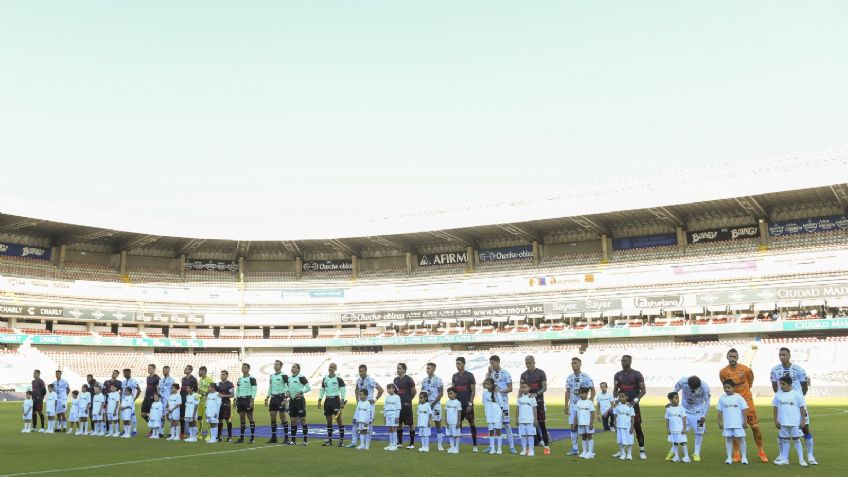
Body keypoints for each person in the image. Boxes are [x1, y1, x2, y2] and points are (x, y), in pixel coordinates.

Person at [720, 348, 767, 462]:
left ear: (737, 357)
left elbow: (750, 382)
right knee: (735, 428)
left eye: (734, 356)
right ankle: (736, 454)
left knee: (755, 428)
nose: (732, 358)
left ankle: (761, 452)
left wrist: (744, 394)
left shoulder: (746, 370)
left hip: (747, 402)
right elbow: (725, 384)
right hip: (733, 403)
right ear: (727, 357)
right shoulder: (723, 372)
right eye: (730, 356)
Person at [770, 347, 815, 464]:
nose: (782, 357)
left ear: (789, 355)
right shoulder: (775, 370)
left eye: (784, 354)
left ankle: (810, 456)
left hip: (796, 401)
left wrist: (798, 397)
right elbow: (775, 387)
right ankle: (782, 455)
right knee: (782, 428)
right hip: (783, 403)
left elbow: (804, 386)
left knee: (805, 427)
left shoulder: (798, 369)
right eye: (780, 355)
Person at [613, 355, 647, 459]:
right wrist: (616, 401)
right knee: (620, 427)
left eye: (625, 361)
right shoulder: (618, 375)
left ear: (630, 361)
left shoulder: (636, 374)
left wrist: (634, 401)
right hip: (621, 407)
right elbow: (615, 390)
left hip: (633, 406)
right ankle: (621, 450)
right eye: (622, 361)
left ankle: (642, 451)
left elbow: (643, 390)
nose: (622, 362)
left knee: (637, 427)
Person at [772, 375, 808, 467]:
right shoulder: (778, 395)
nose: (781, 386)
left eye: (783, 384)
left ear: (789, 384)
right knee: (785, 440)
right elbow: (775, 408)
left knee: (796, 439)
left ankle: (801, 460)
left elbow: (802, 409)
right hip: (783, 422)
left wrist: (803, 421)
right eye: (780, 384)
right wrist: (776, 420)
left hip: (795, 422)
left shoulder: (796, 395)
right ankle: (785, 459)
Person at [673, 375, 710, 461]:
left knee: (699, 432)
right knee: (679, 431)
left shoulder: (705, 387)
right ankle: (674, 452)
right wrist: (675, 405)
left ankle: (696, 453)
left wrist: (703, 416)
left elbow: (707, 402)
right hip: (684, 411)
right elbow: (674, 392)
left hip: (698, 413)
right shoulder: (682, 381)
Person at [565, 357, 595, 456]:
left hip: (583, 408)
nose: (573, 364)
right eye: (572, 363)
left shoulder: (586, 376)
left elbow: (593, 390)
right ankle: (575, 449)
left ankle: (587, 450)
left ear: (580, 364)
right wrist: (566, 405)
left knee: (585, 428)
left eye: (575, 363)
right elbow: (568, 392)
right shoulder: (569, 377)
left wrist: (589, 402)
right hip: (573, 406)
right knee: (573, 427)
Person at [348, 364, 384, 449]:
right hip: (360, 405)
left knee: (369, 424)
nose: (360, 373)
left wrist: (375, 399)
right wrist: (357, 400)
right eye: (359, 371)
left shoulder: (371, 380)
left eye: (361, 371)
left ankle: (367, 443)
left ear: (365, 371)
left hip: (369, 405)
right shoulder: (358, 380)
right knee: (355, 422)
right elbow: (356, 390)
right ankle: (354, 442)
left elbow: (381, 390)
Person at [520, 355, 550, 454]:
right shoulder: (523, 375)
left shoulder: (541, 373)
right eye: (526, 363)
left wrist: (536, 394)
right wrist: (519, 396)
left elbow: (544, 387)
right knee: (530, 424)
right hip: (527, 403)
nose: (528, 365)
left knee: (541, 424)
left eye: (529, 363)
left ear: (534, 362)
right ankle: (534, 444)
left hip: (539, 401)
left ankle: (546, 446)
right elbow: (521, 388)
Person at [717, 379, 750, 465]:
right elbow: (719, 411)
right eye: (725, 387)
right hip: (727, 424)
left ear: (733, 388)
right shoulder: (722, 398)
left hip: (738, 424)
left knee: (742, 439)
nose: (726, 389)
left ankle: (744, 457)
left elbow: (744, 410)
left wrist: (745, 422)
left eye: (728, 387)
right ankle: (729, 458)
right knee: (728, 440)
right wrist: (720, 422)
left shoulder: (738, 397)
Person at [487, 355, 515, 454]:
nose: (491, 365)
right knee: (492, 424)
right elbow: (486, 384)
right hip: (493, 404)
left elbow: (510, 388)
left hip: (503, 403)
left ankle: (512, 446)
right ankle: (491, 446)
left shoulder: (505, 373)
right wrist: (488, 373)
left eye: (492, 363)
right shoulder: (491, 374)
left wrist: (499, 391)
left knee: (506, 423)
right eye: (490, 363)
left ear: (498, 362)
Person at [451, 357, 479, 452]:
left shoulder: (470, 375)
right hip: (457, 405)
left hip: (467, 404)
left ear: (464, 364)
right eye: (456, 364)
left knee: (471, 423)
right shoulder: (454, 376)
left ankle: (475, 445)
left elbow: (473, 390)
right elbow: (453, 391)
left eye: (459, 363)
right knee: (458, 423)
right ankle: (456, 446)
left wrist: (470, 403)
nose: (457, 366)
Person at [318, 362, 346, 447]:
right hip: (327, 400)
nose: (330, 368)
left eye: (332, 367)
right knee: (329, 420)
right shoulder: (325, 379)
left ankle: (341, 441)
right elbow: (322, 390)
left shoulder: (339, 379)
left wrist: (342, 400)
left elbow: (343, 390)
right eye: (330, 367)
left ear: (335, 369)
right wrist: (319, 399)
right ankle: (329, 440)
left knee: (339, 419)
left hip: (336, 400)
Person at [421, 363, 445, 451]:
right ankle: (426, 445)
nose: (427, 370)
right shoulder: (424, 380)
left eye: (429, 368)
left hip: (436, 405)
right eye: (427, 368)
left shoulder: (438, 380)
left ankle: (440, 445)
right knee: (426, 424)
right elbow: (422, 393)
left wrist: (433, 403)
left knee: (438, 423)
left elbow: (441, 393)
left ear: (434, 369)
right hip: (426, 405)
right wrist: (423, 404)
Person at [265, 360, 289, 444]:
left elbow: (287, 387)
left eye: (277, 364)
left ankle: (286, 438)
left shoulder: (284, 376)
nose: (275, 366)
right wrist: (267, 397)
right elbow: (270, 387)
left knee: (283, 417)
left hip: (281, 397)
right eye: (274, 364)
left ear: (281, 366)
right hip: (273, 398)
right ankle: (274, 437)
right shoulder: (271, 376)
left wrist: (285, 398)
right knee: (272, 417)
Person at [393, 362, 417, 449]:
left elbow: (414, 391)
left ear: (404, 369)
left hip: (407, 405)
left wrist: (409, 399)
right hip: (398, 406)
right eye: (397, 368)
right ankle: (400, 442)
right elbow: (395, 392)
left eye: (399, 368)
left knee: (410, 424)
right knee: (399, 423)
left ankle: (412, 443)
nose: (398, 370)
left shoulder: (409, 379)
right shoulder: (395, 380)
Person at [287, 363, 311, 446]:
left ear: (298, 369)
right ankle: (293, 440)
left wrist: (301, 392)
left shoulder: (301, 377)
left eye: (294, 367)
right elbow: (287, 387)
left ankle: (305, 440)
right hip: (292, 401)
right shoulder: (289, 378)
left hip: (300, 401)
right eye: (292, 367)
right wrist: (287, 392)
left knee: (302, 419)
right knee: (293, 421)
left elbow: (308, 387)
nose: (292, 368)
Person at [608, 391, 635, 460]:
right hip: (619, 426)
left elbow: (632, 417)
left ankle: (629, 454)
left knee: (629, 441)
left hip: (628, 426)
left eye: (623, 397)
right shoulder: (617, 405)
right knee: (620, 441)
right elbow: (615, 416)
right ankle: (623, 453)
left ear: (627, 397)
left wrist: (632, 427)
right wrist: (615, 426)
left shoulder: (630, 405)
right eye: (620, 397)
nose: (621, 398)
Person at [234, 363, 257, 444]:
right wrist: (235, 399)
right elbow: (237, 389)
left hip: (248, 399)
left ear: (248, 369)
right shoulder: (240, 379)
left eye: (245, 368)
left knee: (250, 417)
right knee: (242, 418)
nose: (243, 369)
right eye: (242, 368)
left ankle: (252, 438)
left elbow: (254, 389)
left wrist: (252, 400)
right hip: (240, 400)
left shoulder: (252, 378)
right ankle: (242, 438)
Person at [665, 391, 689, 462]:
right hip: (672, 430)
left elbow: (684, 418)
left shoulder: (681, 408)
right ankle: (676, 457)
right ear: (671, 400)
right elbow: (667, 419)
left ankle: (686, 457)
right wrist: (668, 429)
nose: (678, 399)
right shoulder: (668, 409)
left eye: (678, 398)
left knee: (682, 442)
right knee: (674, 443)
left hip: (680, 429)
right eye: (675, 398)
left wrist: (684, 428)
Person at [482, 377, 504, 455]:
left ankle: (499, 449)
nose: (486, 385)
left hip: (497, 413)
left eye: (488, 384)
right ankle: (492, 448)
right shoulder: (484, 393)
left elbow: (501, 405)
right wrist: (487, 413)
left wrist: (501, 415)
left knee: (497, 430)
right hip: (489, 414)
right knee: (491, 431)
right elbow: (484, 403)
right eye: (486, 384)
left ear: (492, 385)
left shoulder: (497, 393)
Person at [516, 382, 538, 457]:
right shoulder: (519, 397)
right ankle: (524, 450)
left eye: (525, 387)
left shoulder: (532, 397)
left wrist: (535, 419)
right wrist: (517, 418)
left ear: (529, 388)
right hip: (522, 420)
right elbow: (518, 408)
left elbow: (535, 409)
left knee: (530, 435)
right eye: (522, 387)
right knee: (523, 435)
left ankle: (531, 450)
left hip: (530, 420)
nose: (523, 388)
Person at [574, 387, 596, 459]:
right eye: (580, 393)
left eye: (583, 393)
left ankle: (590, 452)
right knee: (583, 436)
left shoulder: (590, 402)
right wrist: (575, 423)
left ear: (587, 394)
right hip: (581, 423)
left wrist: (591, 423)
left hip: (588, 422)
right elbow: (576, 413)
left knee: (589, 436)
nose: (581, 395)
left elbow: (592, 413)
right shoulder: (578, 402)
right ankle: (584, 451)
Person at [196, 366, 215, 440]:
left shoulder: (209, 380)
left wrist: (205, 393)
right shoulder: (200, 380)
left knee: (208, 418)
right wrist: (197, 396)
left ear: (204, 371)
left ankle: (209, 434)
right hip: (200, 401)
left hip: (206, 401)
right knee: (199, 418)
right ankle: (199, 434)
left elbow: (212, 389)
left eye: (200, 371)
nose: (199, 372)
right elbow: (199, 390)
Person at [141, 364, 160, 434]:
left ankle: (153, 429)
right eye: (148, 368)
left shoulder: (157, 377)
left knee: (151, 414)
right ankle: (152, 425)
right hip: (146, 397)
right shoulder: (148, 377)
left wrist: (157, 397)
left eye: (150, 368)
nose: (149, 369)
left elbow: (158, 388)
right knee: (143, 414)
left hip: (152, 398)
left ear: (154, 369)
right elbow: (147, 387)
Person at [180, 365, 198, 439]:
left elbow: (195, 390)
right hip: (182, 398)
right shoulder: (183, 379)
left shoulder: (193, 379)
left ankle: (194, 433)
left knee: (191, 417)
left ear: (190, 370)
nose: (185, 370)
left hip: (190, 399)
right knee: (182, 416)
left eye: (186, 369)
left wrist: (191, 397)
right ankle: (182, 433)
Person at [217, 370, 235, 442]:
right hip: (219, 404)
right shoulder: (218, 384)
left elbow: (232, 395)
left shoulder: (230, 384)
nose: (222, 376)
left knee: (228, 420)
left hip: (226, 404)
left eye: (223, 374)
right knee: (220, 420)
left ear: (227, 376)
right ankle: (219, 436)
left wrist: (223, 396)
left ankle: (229, 436)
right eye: (221, 374)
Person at [102, 370, 122, 434]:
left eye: (116, 373)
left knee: (116, 415)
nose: (114, 374)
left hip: (115, 399)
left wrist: (119, 396)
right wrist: (106, 394)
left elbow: (121, 390)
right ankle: (108, 429)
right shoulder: (106, 382)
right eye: (113, 373)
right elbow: (103, 390)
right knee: (107, 414)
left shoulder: (119, 382)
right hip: (107, 399)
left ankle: (117, 430)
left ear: (118, 375)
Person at [383, 383, 401, 451]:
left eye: (390, 389)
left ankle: (394, 445)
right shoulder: (387, 397)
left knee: (394, 428)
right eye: (387, 389)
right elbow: (385, 407)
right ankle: (391, 444)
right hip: (388, 413)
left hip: (394, 413)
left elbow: (398, 408)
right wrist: (385, 416)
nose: (388, 390)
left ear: (394, 389)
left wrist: (397, 417)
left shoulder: (397, 397)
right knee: (389, 428)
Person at [122, 368, 140, 435]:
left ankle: (134, 430)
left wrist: (134, 399)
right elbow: (122, 390)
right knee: (124, 416)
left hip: (130, 401)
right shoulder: (123, 382)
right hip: (124, 401)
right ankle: (125, 430)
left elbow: (139, 390)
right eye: (124, 373)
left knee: (132, 415)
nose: (124, 374)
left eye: (125, 373)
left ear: (129, 373)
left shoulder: (133, 381)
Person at [444, 387, 462, 454]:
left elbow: (459, 412)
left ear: (455, 394)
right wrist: (446, 421)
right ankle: (451, 447)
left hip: (455, 422)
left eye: (451, 393)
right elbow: (446, 412)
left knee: (456, 435)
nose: (449, 395)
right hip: (449, 422)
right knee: (450, 435)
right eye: (448, 394)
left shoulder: (458, 402)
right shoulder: (447, 402)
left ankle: (456, 448)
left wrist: (458, 422)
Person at [158, 366, 175, 431]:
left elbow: (172, 391)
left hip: (168, 400)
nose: (163, 372)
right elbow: (159, 389)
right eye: (163, 370)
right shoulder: (161, 380)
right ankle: (161, 432)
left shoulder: (171, 380)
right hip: (161, 400)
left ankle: (172, 432)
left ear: (168, 370)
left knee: (169, 416)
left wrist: (170, 400)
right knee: (161, 416)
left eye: (165, 370)